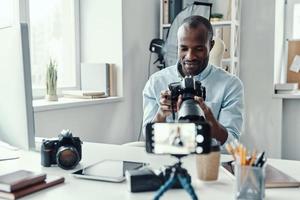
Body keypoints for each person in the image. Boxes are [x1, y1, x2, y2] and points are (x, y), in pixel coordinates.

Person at [142, 15, 244, 147]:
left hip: (210, 161)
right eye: (183, 48)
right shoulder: (156, 82)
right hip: (167, 159)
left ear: (211, 46)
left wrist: (211, 124)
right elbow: (148, 138)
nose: (190, 56)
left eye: (199, 49)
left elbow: (233, 143)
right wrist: (161, 114)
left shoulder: (230, 85)